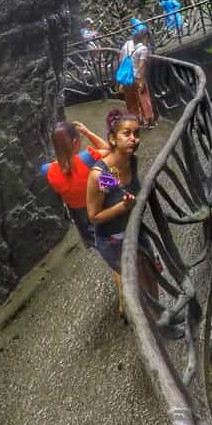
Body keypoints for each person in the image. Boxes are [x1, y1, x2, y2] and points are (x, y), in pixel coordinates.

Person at [86, 113, 142, 319]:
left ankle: (156, 315)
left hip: (133, 229)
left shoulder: (131, 161)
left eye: (136, 133)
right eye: (126, 133)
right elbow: (94, 215)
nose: (133, 138)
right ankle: (133, 312)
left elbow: (117, 190)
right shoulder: (102, 174)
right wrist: (123, 206)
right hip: (112, 238)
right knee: (131, 277)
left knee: (147, 271)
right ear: (112, 138)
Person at [42, 120, 111, 248]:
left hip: (81, 216)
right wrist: (88, 133)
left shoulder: (48, 171)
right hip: (100, 205)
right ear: (75, 142)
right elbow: (108, 149)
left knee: (99, 241)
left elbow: (49, 167)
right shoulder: (87, 158)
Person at [118, 28, 155, 128]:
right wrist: (142, 81)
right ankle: (150, 122)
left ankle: (137, 122)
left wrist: (122, 80)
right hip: (137, 78)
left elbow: (121, 59)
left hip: (126, 78)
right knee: (144, 99)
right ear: (145, 37)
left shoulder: (127, 44)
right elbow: (141, 66)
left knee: (131, 101)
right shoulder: (143, 48)